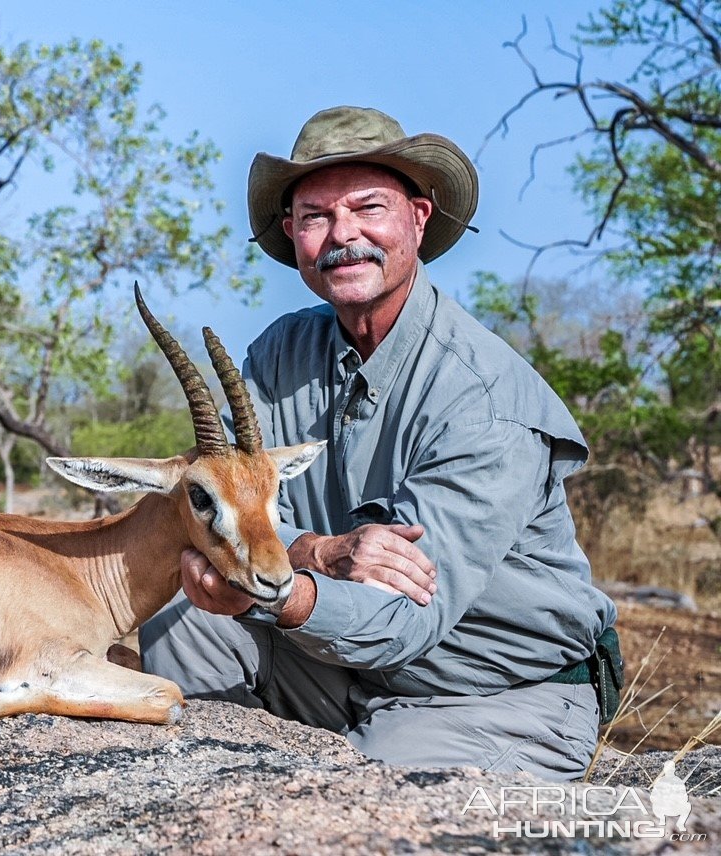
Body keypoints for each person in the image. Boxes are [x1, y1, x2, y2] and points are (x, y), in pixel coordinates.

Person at [139, 106, 621, 779]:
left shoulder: (484, 398)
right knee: (181, 622)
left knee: (364, 799)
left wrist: (277, 584)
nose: (344, 235)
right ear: (292, 234)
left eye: (369, 207)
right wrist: (313, 551)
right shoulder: (280, 354)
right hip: (331, 663)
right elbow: (222, 505)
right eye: (315, 217)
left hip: (486, 692)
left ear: (418, 219)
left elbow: (406, 618)